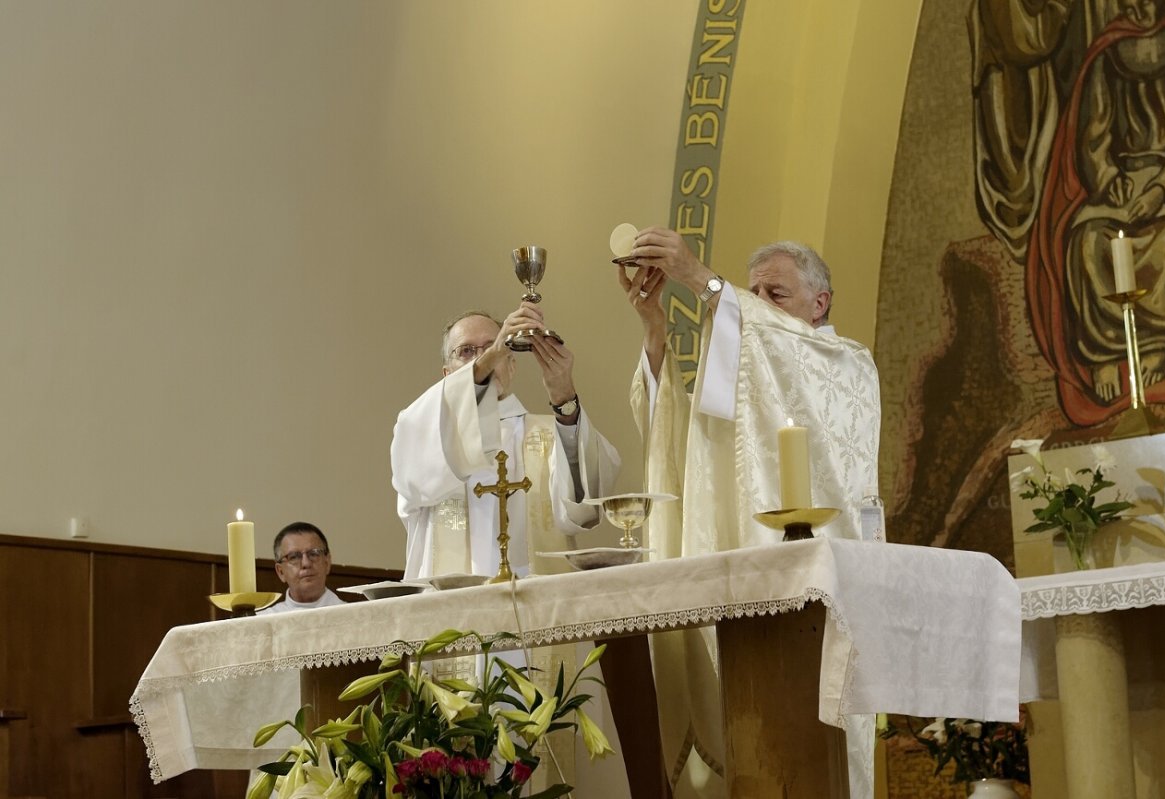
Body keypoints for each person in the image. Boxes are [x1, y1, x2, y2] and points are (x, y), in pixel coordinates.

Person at [617, 228, 881, 799]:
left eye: (775, 295)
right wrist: (656, 328)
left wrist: (700, 279)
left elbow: (781, 344)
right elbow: (688, 449)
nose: (757, 306)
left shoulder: (846, 364)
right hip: (740, 591)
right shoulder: (746, 366)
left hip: (819, 594)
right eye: (751, 293)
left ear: (821, 303)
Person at [1027, 0, 1165, 425]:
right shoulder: (1107, 52)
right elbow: (1093, 131)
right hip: (1121, 182)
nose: (1136, 8)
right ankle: (1105, 352)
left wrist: (1161, 190)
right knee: (1087, 243)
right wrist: (1107, 178)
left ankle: (1159, 345)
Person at [390, 303, 620, 580]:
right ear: (448, 374)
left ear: (512, 366)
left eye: (493, 348)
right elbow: (415, 480)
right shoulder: (425, 432)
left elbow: (582, 512)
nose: (483, 358)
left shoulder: (553, 433)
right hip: (451, 610)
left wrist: (564, 397)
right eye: (466, 351)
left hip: (534, 605)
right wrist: (495, 352)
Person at [258, 521, 345, 614]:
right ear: (281, 572)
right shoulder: (264, 621)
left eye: (313, 554)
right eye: (294, 557)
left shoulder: (355, 615)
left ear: (327, 563)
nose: (306, 563)